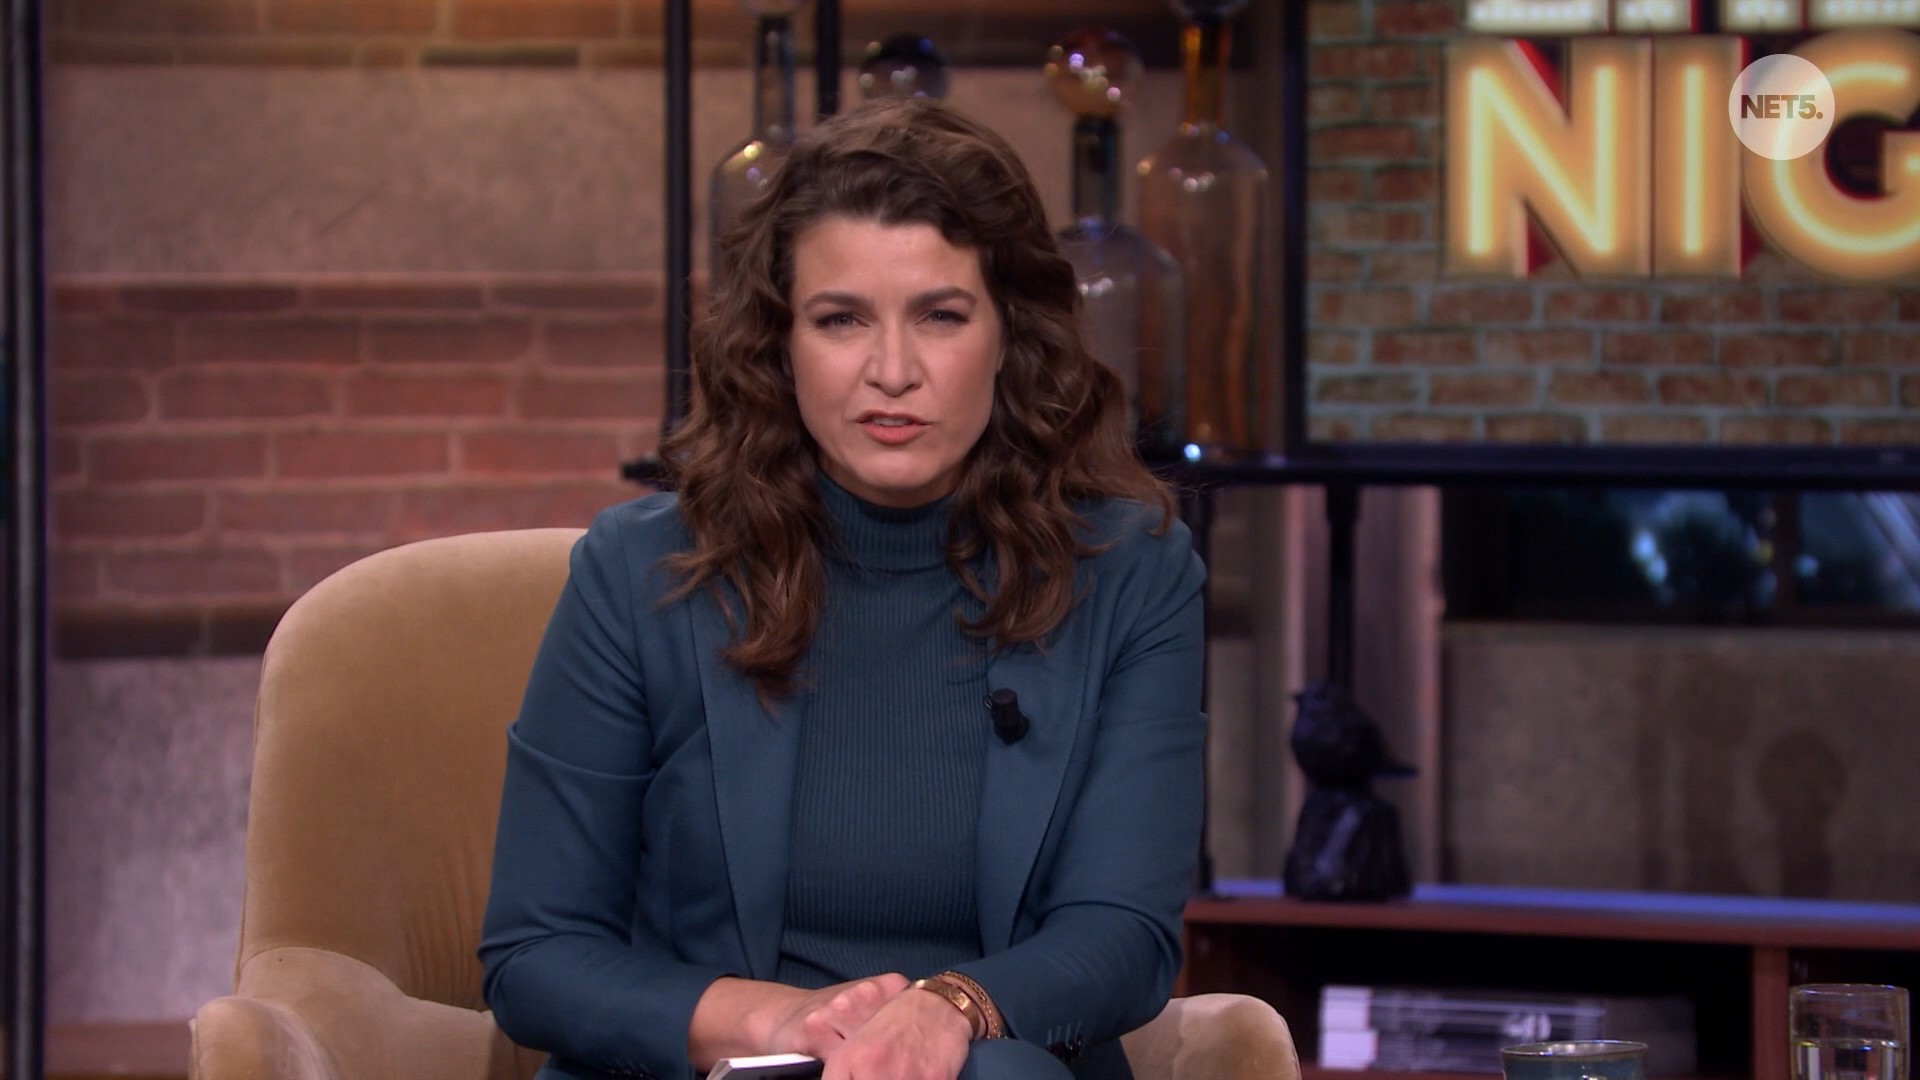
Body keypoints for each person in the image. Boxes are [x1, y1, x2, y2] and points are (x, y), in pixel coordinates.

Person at [477, 96, 1207, 1080]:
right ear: (780, 344)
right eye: (841, 320)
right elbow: (536, 952)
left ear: (1009, 334)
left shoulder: (1130, 573)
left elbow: (1124, 933)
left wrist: (952, 1012)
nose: (892, 371)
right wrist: (778, 1022)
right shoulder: (640, 574)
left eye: (941, 316)